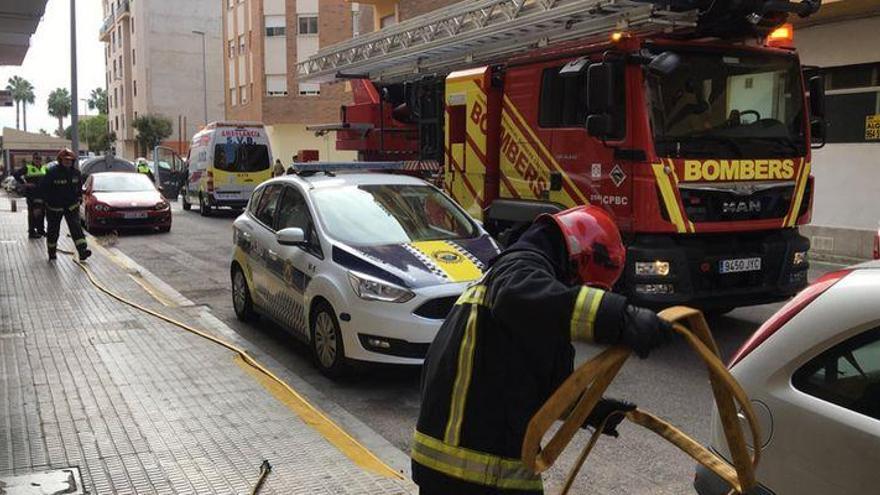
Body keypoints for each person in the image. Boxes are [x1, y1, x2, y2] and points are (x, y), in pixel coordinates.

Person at [411, 205, 673, 495]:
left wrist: (589, 410)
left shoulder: (532, 285)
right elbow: (518, 299)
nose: (575, 291)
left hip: (468, 469)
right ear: (579, 260)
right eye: (582, 285)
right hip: (468, 473)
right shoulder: (520, 268)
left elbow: (546, 387)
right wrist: (618, 318)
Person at [40, 148, 91, 262]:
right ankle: (52, 252)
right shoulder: (52, 173)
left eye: (70, 160)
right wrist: (46, 202)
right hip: (54, 208)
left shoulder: (76, 173)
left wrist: (79, 199)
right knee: (53, 230)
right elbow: (44, 189)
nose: (68, 162)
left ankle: (82, 251)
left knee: (76, 228)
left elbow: (78, 188)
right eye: (65, 160)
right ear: (60, 160)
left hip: (71, 207)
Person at [13, 153, 48, 238]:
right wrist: (24, 183)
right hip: (32, 194)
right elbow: (16, 174)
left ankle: (41, 230)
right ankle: (31, 232)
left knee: (41, 213)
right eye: (36, 158)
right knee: (33, 213)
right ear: (33, 159)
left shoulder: (44, 168)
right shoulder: (28, 168)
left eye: (39, 159)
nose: (38, 160)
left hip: (42, 194)